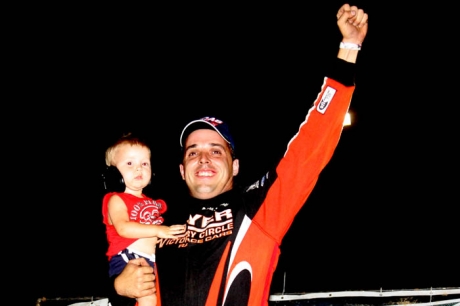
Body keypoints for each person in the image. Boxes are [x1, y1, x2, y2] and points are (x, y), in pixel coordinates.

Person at [110, 3, 369, 305]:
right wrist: (118, 287)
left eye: (216, 150)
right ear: (181, 170)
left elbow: (310, 147)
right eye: (193, 153)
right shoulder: (157, 221)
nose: (204, 158)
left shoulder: (259, 207)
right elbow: (124, 263)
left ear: (234, 167)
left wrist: (349, 48)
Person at [102, 134, 186, 306]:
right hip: (130, 258)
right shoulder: (116, 199)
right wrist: (160, 230)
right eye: (130, 163)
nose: (139, 169)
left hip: (152, 259)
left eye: (144, 163)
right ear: (113, 172)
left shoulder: (152, 202)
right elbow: (124, 228)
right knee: (148, 297)